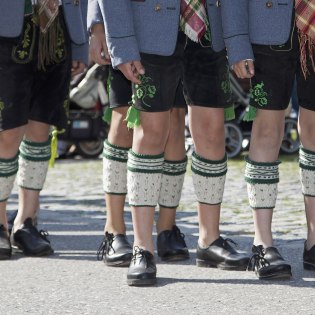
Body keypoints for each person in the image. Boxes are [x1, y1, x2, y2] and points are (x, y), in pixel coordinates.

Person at [88, 0, 250, 286]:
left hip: (207, 24)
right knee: (146, 130)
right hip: (148, 21)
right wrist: (109, 34)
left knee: (211, 130)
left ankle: (209, 239)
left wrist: (237, 40)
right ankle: (140, 246)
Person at [221, 0, 315, 279]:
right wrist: (237, 44)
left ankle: (313, 241)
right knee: (267, 130)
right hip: (267, 28)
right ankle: (263, 243)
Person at [89, 19, 189, 266]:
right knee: (124, 118)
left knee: (175, 118)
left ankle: (167, 228)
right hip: (129, 23)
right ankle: (114, 231)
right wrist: (97, 26)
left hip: (183, 21)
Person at [0, 0, 88, 260]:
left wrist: (80, 43)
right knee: (8, 133)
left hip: (56, 30)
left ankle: (26, 222)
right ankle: (0, 222)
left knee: (40, 129)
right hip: (8, 28)